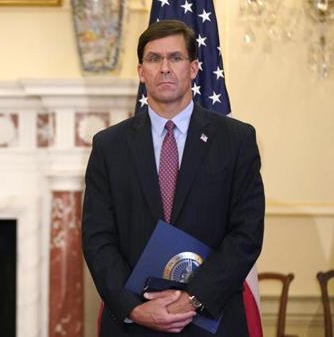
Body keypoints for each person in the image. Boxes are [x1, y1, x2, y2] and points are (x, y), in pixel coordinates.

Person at [81, 20, 264, 336]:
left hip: (212, 319)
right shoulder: (109, 146)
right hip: (135, 320)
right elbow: (97, 238)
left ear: (193, 68)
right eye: (154, 59)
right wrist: (133, 307)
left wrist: (193, 299)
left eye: (175, 58)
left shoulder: (235, 140)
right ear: (141, 72)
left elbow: (246, 234)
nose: (165, 68)